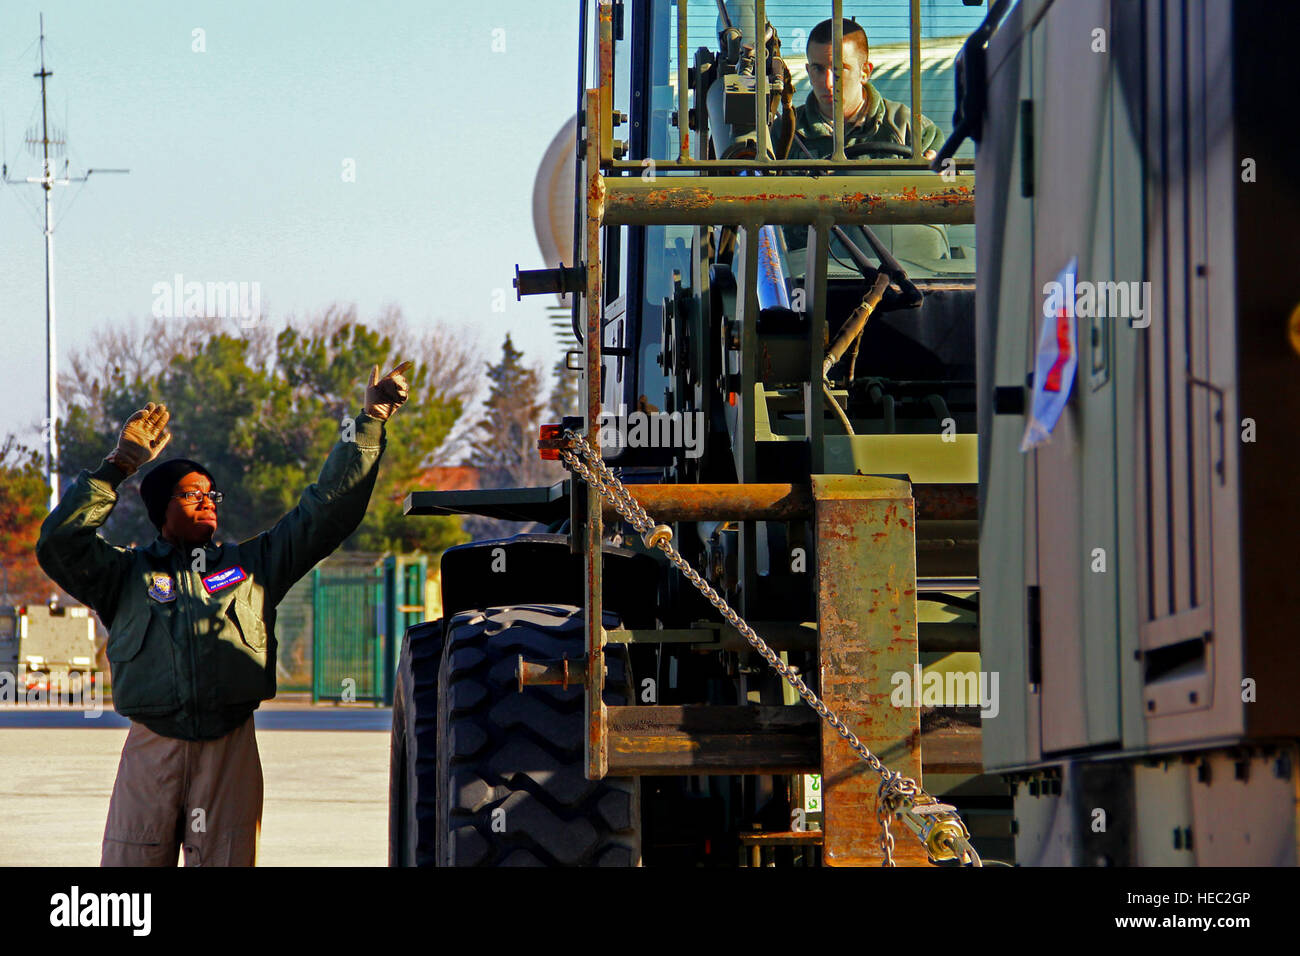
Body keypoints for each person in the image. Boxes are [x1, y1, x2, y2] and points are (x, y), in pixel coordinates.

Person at [36, 362, 412, 866]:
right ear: (160, 510)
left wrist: (370, 420)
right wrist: (118, 466)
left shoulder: (253, 567)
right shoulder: (123, 575)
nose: (208, 501)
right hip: (152, 749)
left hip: (229, 749)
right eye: (192, 494)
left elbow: (327, 512)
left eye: (212, 493)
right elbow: (58, 542)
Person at [796, 17, 942, 160]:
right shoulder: (786, 134)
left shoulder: (910, 128)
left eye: (839, 69)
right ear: (808, 71)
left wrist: (938, 173)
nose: (827, 83)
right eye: (818, 69)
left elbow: (950, 179)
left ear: (865, 72)